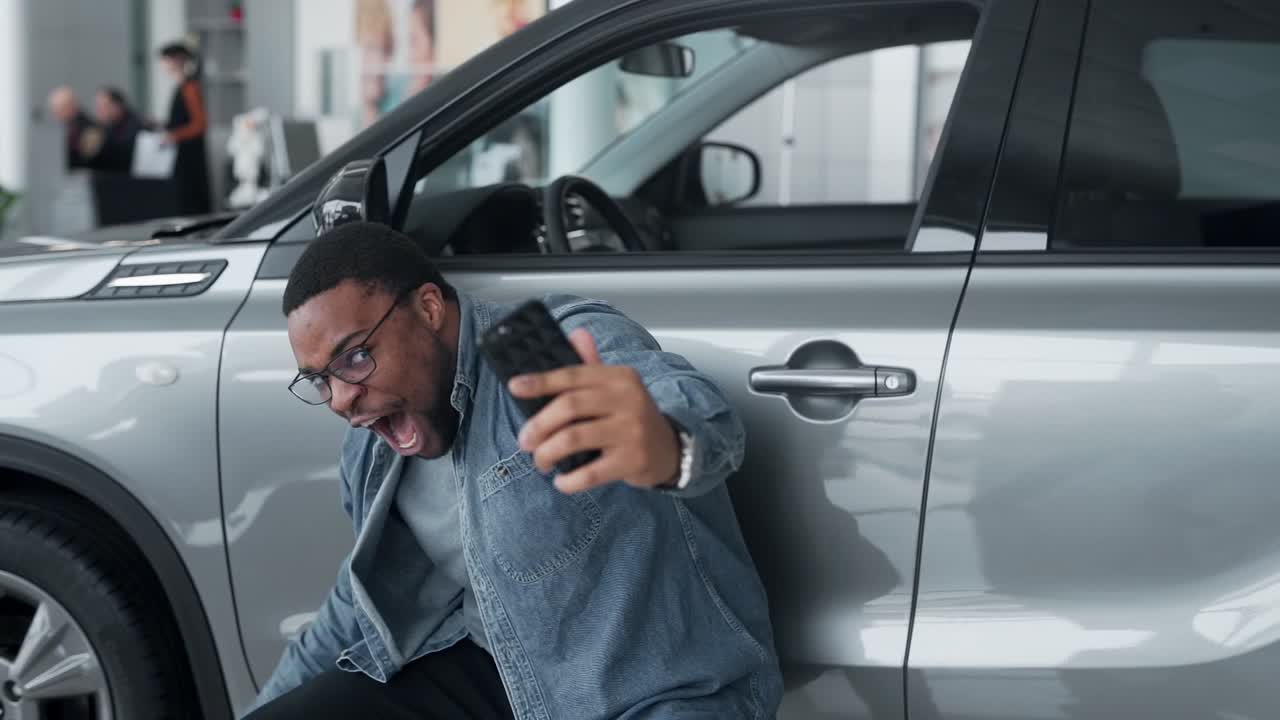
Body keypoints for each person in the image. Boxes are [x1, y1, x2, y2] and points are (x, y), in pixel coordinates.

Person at [243, 222, 782, 719]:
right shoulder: (371, 451)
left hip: (656, 697)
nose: (340, 399)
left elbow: (701, 415)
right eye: (319, 381)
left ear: (428, 308)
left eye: (355, 358)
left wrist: (667, 446)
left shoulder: (547, 351)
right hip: (497, 677)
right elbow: (351, 608)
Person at [158, 42, 213, 215]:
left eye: (166, 60)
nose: (163, 65)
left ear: (176, 61)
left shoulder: (189, 88)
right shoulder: (181, 87)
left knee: (191, 202)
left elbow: (200, 124)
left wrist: (174, 135)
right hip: (181, 155)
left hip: (190, 158)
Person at [46, 86, 103, 171]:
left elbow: (87, 159)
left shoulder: (91, 129)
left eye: (58, 109)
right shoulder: (66, 127)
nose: (56, 115)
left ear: (71, 105)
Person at [92, 87, 144, 174]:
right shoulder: (108, 127)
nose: (99, 111)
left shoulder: (135, 127)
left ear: (117, 106)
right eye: (98, 107)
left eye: (103, 106)